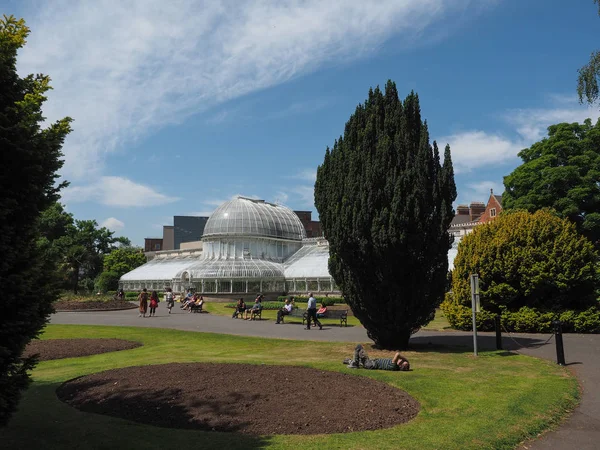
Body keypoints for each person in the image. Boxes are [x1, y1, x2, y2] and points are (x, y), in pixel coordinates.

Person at [344, 344, 410, 371]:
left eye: (402, 361)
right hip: (371, 363)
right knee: (360, 360)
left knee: (359, 347)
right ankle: (350, 361)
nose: (401, 359)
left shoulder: (393, 365)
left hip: (371, 364)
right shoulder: (395, 366)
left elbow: (397, 354)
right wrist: (405, 362)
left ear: (400, 365)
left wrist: (405, 359)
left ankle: (354, 364)